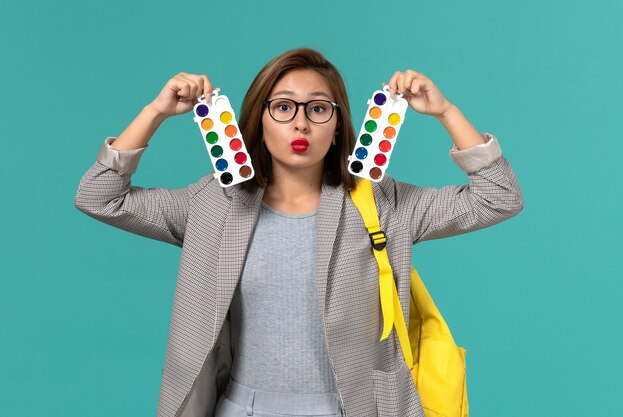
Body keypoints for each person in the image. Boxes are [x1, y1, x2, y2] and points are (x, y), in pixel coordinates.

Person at [74, 48, 524, 417]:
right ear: (259, 120)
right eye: (284, 106)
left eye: (318, 108)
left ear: (339, 125)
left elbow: (499, 197)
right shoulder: (211, 204)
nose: (301, 123)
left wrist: (445, 112)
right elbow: (98, 196)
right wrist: (155, 112)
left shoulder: (383, 204)